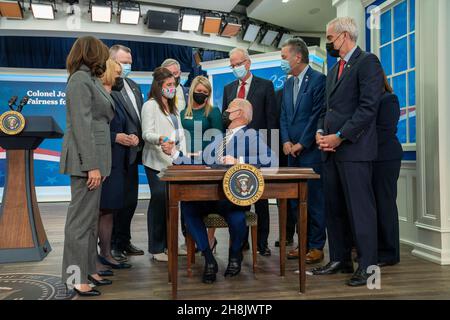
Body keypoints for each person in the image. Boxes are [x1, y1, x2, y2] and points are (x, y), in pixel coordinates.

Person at [161, 98, 278, 284]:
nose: (225, 112)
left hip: (232, 196)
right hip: (209, 195)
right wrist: (174, 153)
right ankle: (208, 259)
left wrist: (238, 160)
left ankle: (234, 256)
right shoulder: (219, 138)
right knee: (188, 208)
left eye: (229, 109)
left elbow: (270, 160)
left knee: (237, 216)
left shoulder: (252, 135)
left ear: (239, 113)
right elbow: (202, 161)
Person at [313, 17, 384, 286]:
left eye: (330, 38)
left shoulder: (368, 62)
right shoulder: (334, 70)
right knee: (335, 209)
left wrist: (340, 137)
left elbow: (368, 108)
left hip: (354, 151)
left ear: (344, 36)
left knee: (360, 210)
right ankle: (340, 259)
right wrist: (321, 133)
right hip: (329, 152)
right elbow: (326, 111)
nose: (328, 43)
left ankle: (368, 267)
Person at [60, 36, 115, 296]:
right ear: (93, 54)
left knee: (90, 220)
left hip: (96, 161)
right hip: (87, 163)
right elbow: (82, 127)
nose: (106, 60)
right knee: (80, 222)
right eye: (103, 55)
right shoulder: (79, 80)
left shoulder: (89, 79)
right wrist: (91, 166)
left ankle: (88, 268)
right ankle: (75, 277)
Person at [222, 47, 278, 256]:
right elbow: (225, 121)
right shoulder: (228, 89)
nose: (235, 68)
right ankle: (240, 241)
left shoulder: (266, 86)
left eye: (238, 64)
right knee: (238, 197)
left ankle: (261, 243)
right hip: (234, 154)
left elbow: (272, 120)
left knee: (261, 201)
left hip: (258, 153)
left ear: (248, 63)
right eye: (232, 65)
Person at [279, 38, 327, 264]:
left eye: (283, 56)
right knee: (296, 201)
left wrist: (302, 143)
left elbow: (317, 115)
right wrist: (286, 140)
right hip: (291, 153)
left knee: (314, 200)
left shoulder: (319, 80)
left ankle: (317, 246)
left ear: (297, 57)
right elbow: (284, 116)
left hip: (310, 153)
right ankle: (303, 244)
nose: (282, 61)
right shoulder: (288, 83)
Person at [141, 67, 187, 262]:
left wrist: (182, 155)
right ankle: (157, 247)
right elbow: (146, 133)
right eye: (168, 85)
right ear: (158, 86)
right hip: (156, 162)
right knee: (159, 202)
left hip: (174, 162)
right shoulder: (150, 105)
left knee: (172, 204)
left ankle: (171, 245)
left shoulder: (173, 107)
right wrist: (160, 138)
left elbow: (181, 133)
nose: (172, 88)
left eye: (174, 85)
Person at [97, 59, 135, 274]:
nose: (122, 76)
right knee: (99, 211)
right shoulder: (99, 97)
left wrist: (128, 136)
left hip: (117, 162)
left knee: (109, 211)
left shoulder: (114, 97)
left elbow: (117, 126)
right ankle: (94, 258)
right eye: (118, 72)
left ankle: (106, 254)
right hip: (104, 163)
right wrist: (116, 137)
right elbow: (94, 130)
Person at [109, 45, 145, 262]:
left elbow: (138, 117)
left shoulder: (134, 85)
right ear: (112, 61)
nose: (127, 66)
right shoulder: (106, 85)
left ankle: (124, 239)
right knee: (115, 202)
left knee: (131, 201)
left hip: (133, 153)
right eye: (123, 62)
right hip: (115, 154)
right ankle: (112, 244)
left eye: (130, 62)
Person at [180, 76, 223, 252]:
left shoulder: (213, 111)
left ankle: (210, 239)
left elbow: (218, 138)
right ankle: (193, 239)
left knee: (209, 200)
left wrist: (203, 152)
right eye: (198, 92)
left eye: (205, 93)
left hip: (207, 162)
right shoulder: (183, 112)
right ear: (192, 92)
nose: (201, 95)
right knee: (189, 203)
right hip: (185, 163)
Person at [374, 74, 403, 267]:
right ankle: (378, 249)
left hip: (386, 158)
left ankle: (390, 253)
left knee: (385, 204)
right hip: (372, 158)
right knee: (376, 206)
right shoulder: (368, 101)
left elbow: (385, 130)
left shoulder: (389, 99)